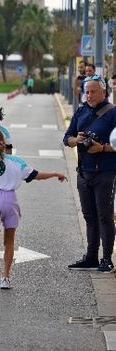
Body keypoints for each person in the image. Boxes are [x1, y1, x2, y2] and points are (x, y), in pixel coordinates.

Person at [0, 128, 67, 289]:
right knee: (9, 241)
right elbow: (36, 175)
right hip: (9, 199)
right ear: (3, 143)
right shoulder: (16, 161)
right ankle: (5, 277)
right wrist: (55, 173)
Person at [64, 77, 116, 272]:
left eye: (93, 92)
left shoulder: (113, 113)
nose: (89, 95)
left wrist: (101, 148)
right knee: (89, 216)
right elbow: (66, 137)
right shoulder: (81, 110)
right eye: (87, 92)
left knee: (105, 216)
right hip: (84, 172)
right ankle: (91, 256)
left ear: (103, 92)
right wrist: (75, 140)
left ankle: (107, 259)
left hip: (105, 172)